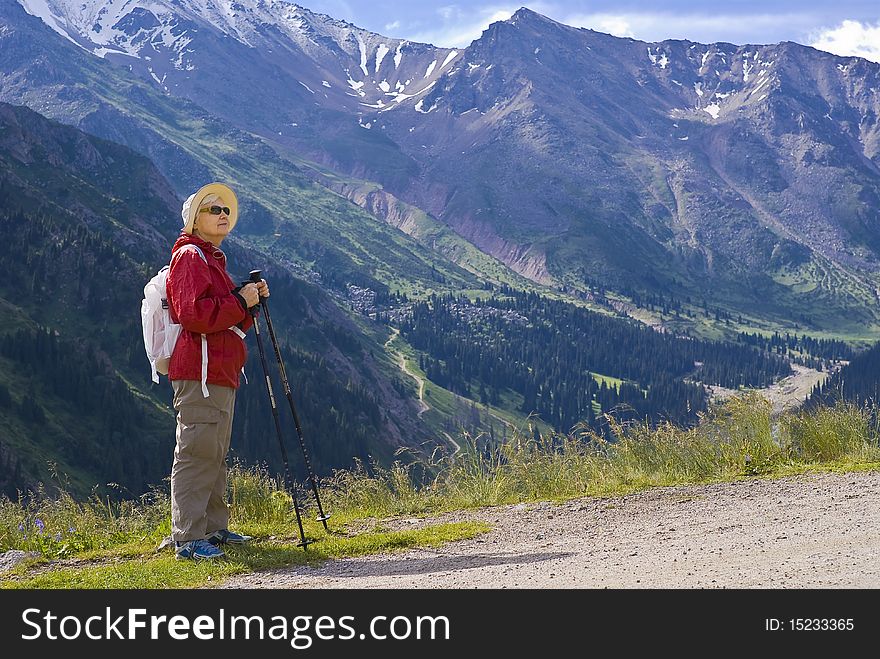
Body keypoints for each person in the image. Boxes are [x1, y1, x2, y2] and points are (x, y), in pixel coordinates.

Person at [166, 182, 269, 560]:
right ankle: (188, 538)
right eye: (214, 209)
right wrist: (240, 299)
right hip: (200, 372)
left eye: (226, 209)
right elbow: (194, 315)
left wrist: (248, 305)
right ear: (195, 218)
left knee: (214, 450)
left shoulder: (211, 260)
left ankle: (213, 528)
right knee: (196, 451)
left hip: (218, 371)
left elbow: (225, 320)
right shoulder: (190, 256)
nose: (223, 214)